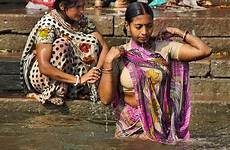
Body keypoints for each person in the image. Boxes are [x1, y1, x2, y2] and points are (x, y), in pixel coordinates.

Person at [98, 2, 211, 144]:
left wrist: (178, 32)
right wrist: (107, 62)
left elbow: (204, 51)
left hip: (161, 128)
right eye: (138, 27)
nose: (144, 32)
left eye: (149, 26)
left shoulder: (163, 48)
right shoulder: (119, 55)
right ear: (127, 26)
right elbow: (105, 99)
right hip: (131, 130)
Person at [20, 0, 108, 105]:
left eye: (83, 6)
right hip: (43, 78)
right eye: (78, 7)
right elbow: (44, 66)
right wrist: (79, 80)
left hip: (75, 75)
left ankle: (79, 89)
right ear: (62, 6)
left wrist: (95, 70)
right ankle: (57, 91)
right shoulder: (47, 25)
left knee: (93, 41)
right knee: (62, 44)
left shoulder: (82, 20)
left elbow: (104, 46)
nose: (82, 11)